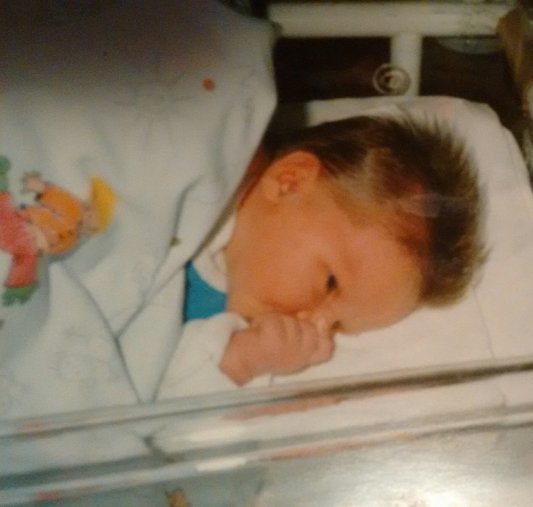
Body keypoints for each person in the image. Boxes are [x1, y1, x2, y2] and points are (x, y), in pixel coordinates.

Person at [157, 113, 484, 397]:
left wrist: (240, 362)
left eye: (337, 326)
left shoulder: (217, 327)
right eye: (330, 283)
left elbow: (156, 407)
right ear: (289, 182)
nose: (315, 322)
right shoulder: (191, 188)